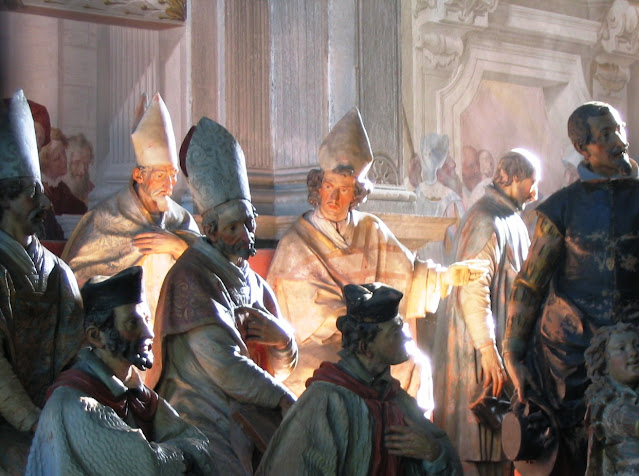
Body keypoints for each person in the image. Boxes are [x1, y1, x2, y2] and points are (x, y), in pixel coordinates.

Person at [267, 107, 487, 399]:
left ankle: (402, 431)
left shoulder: (371, 229)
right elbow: (303, 315)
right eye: (328, 186)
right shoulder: (296, 243)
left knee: (413, 366)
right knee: (326, 379)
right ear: (318, 187)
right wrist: (360, 329)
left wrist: (446, 277)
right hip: (323, 347)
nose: (333, 197)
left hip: (372, 342)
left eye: (344, 189)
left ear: (356, 194)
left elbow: (409, 273)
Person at [152, 117, 298, 475]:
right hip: (199, 417)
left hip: (250, 413)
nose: (246, 235)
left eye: (249, 222)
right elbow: (225, 365)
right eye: (234, 227)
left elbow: (280, 369)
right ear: (211, 230)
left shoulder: (255, 283)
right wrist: (282, 399)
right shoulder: (192, 277)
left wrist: (284, 342)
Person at [503, 101, 639, 475]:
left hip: (632, 347)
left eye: (619, 129)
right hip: (568, 356)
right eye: (606, 134)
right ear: (583, 147)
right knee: (574, 456)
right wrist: (513, 350)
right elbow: (530, 283)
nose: (620, 142)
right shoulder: (560, 208)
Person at [256, 282, 463, 476]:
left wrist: (434, 454)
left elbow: (447, 461)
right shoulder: (325, 401)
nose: (407, 337)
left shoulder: (396, 399)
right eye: (395, 332)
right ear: (365, 347)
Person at [26, 266, 214, 475]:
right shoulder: (75, 402)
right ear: (96, 336)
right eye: (133, 323)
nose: (148, 332)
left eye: (147, 319)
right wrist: (184, 455)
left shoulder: (136, 393)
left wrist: (179, 453)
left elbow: (198, 443)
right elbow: (147, 466)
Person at [434, 149, 540, 476]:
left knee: (501, 448)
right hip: (476, 355)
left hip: (499, 352)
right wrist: (487, 349)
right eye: (532, 183)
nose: (535, 193)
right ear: (515, 179)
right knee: (477, 448)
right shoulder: (485, 218)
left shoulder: (510, 218)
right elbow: (473, 287)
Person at [62, 92, 200, 328]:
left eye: (173, 174)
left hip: (173, 331)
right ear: (138, 175)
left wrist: (178, 246)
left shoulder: (181, 218)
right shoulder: (105, 217)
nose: (169, 184)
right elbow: (76, 281)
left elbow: (208, 273)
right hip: (122, 332)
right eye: (160, 175)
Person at [0, 90, 84, 474]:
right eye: (33, 195)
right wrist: (33, 421)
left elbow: (76, 355)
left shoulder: (58, 272)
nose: (46, 205)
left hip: (53, 419)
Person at [583, 322, 639, 475]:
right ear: (604, 363)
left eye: (637, 345)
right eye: (621, 348)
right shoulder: (608, 406)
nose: (633, 353)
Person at [414, 132, 465, 264]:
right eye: (447, 161)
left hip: (420, 265)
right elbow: (461, 241)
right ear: (440, 168)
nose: (453, 165)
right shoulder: (452, 200)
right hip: (444, 267)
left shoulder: (416, 194)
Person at [40, 127, 88, 215]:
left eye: (63, 153)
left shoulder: (62, 188)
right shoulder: (41, 191)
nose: (64, 160)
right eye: (57, 158)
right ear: (45, 164)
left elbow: (82, 209)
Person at [63, 133, 95, 206]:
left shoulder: (92, 191)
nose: (82, 171)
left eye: (86, 163)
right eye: (77, 163)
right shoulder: (53, 189)